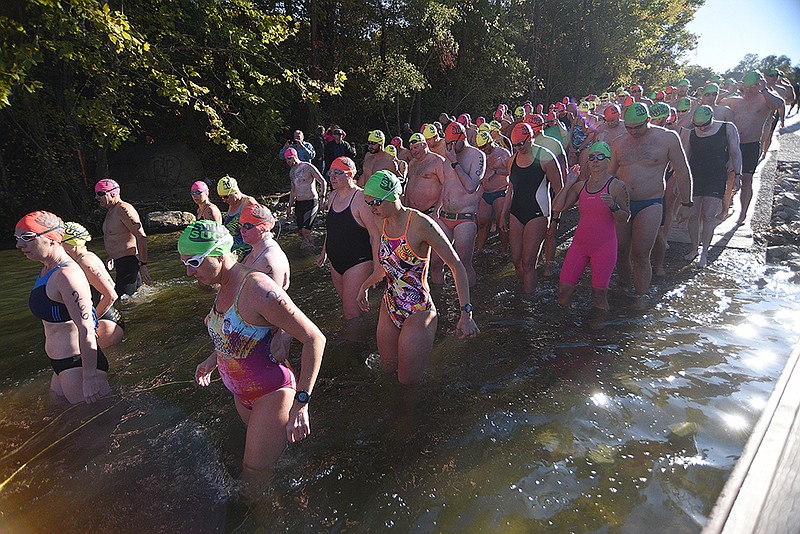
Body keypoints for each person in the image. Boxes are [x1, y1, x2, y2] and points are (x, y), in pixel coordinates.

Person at [183, 220, 325, 477]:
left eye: (193, 262)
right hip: (244, 396)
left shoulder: (258, 289)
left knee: (253, 482)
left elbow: (314, 338)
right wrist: (211, 361)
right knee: (270, 471)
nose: (189, 273)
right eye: (185, 263)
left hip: (272, 394)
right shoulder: (224, 285)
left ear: (218, 254)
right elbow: (238, 333)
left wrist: (301, 402)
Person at [356, 171, 478, 385]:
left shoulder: (421, 224)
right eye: (368, 203)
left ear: (392, 197)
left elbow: (456, 265)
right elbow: (390, 266)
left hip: (418, 310)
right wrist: (364, 285)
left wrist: (466, 313)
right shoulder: (379, 221)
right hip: (390, 305)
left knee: (407, 384)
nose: (371, 208)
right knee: (387, 371)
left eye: (375, 202)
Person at [15, 211, 111, 404]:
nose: (19, 245)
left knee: (98, 429)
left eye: (27, 238)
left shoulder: (67, 276)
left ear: (51, 238)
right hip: (61, 364)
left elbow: (87, 328)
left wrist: (89, 377)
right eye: (17, 238)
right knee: (60, 418)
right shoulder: (47, 269)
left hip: (78, 364)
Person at [609, 102, 692, 299]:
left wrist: (687, 203)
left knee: (640, 253)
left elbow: (682, 170)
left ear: (648, 120)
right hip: (624, 203)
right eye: (629, 128)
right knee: (621, 252)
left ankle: (640, 298)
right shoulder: (619, 143)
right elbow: (609, 175)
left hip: (651, 202)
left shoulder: (667, 138)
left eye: (638, 127)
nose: (633, 132)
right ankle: (624, 288)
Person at [552, 143, 630, 310]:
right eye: (592, 157)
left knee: (599, 296)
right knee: (563, 290)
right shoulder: (580, 186)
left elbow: (625, 218)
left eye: (600, 157)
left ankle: (600, 333)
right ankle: (564, 330)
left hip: (604, 247)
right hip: (579, 245)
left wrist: (614, 207)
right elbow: (557, 207)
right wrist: (568, 183)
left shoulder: (617, 186)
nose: (595, 160)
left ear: (608, 161)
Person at [500, 123, 562, 294]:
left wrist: (555, 220)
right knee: (516, 259)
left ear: (531, 138)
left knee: (528, 262)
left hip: (538, 212)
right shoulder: (512, 160)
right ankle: (525, 290)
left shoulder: (546, 157)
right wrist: (502, 215)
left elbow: (560, 190)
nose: (519, 148)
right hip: (516, 211)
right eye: (515, 145)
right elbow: (511, 188)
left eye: (522, 144)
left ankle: (528, 303)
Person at [316, 156, 380, 321]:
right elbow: (331, 227)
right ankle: (367, 333)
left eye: (338, 173)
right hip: (335, 261)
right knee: (351, 307)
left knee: (350, 314)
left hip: (358, 262)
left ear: (350, 175)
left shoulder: (361, 199)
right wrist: (324, 252)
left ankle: (354, 344)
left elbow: (375, 235)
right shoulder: (332, 197)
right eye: (331, 173)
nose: (332, 177)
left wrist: (378, 268)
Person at [680, 106, 743, 268]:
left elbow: (735, 151)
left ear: (711, 119)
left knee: (708, 216)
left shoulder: (727, 127)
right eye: (698, 126)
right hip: (696, 176)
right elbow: (686, 157)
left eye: (704, 126)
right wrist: (680, 180)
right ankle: (694, 248)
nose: (701, 129)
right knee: (693, 215)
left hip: (716, 176)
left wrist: (738, 174)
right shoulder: (691, 133)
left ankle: (705, 252)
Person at [718, 71, 784, 225]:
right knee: (730, 177)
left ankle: (743, 214)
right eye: (746, 87)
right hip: (734, 144)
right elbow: (716, 103)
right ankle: (725, 208)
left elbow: (779, 104)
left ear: (759, 85)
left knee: (747, 180)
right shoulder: (737, 101)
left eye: (752, 87)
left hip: (751, 146)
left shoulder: (764, 99)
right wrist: (729, 90)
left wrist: (764, 89)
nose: (748, 90)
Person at [431, 121, 485, 287]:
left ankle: (469, 303)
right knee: (435, 263)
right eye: (448, 143)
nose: (451, 146)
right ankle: (439, 302)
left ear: (464, 138)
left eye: (454, 142)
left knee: (462, 265)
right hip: (445, 215)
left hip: (465, 217)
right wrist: (437, 209)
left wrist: (455, 162)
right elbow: (446, 185)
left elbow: (470, 187)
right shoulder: (448, 156)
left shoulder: (477, 156)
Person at [62, 222, 125, 349]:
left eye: (60, 244)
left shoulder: (84, 262)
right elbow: (111, 284)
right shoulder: (88, 256)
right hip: (109, 318)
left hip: (104, 324)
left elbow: (111, 295)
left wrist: (90, 323)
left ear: (71, 244)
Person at [96, 178, 151, 296]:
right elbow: (117, 236)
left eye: (100, 193)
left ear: (113, 193)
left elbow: (141, 236)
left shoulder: (123, 209)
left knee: (127, 303)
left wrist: (143, 264)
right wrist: (112, 255)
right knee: (129, 299)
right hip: (120, 263)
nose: (97, 197)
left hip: (129, 263)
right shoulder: (112, 211)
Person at [475, 130, 511, 254]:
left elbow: (512, 171)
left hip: (500, 191)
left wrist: (496, 172)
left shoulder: (503, 153)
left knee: (501, 222)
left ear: (491, 142)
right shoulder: (480, 155)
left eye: (485, 146)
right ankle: (479, 250)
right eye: (481, 147)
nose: (484, 149)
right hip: (486, 192)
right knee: (482, 223)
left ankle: (504, 250)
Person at [240, 204, 290, 290]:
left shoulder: (269, 260)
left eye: (247, 226)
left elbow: (272, 301)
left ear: (263, 229)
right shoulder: (257, 249)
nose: (242, 230)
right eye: (240, 225)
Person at [286, 147, 327, 248]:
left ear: (295, 156)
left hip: (311, 201)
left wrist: (322, 198)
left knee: (305, 230)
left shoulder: (308, 167)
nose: (288, 161)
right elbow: (293, 190)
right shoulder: (292, 172)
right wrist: (289, 206)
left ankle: (312, 251)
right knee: (301, 231)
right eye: (286, 159)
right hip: (299, 203)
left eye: (290, 158)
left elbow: (323, 181)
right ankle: (309, 247)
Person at [404, 132, 445, 216]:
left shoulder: (437, 161)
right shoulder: (412, 163)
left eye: (416, 147)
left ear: (425, 145)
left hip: (431, 211)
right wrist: (405, 207)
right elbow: (409, 186)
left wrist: (437, 209)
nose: (413, 151)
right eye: (411, 149)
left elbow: (446, 186)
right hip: (413, 213)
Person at [218, 175, 258, 260]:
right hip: (231, 250)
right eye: (222, 197)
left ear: (235, 191)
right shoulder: (232, 204)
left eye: (225, 196)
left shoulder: (249, 203)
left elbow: (260, 227)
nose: (224, 200)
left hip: (246, 252)